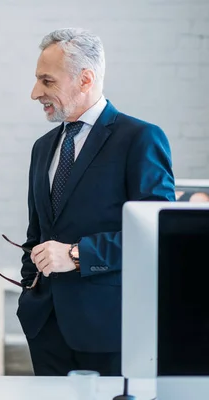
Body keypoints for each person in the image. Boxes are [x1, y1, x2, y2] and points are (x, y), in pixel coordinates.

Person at [17, 28, 175, 376]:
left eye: (47, 81)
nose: (35, 93)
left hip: (111, 330)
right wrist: (30, 288)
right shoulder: (43, 148)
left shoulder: (140, 139)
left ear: (85, 79)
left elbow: (157, 233)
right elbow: (38, 232)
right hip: (45, 326)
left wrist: (76, 254)